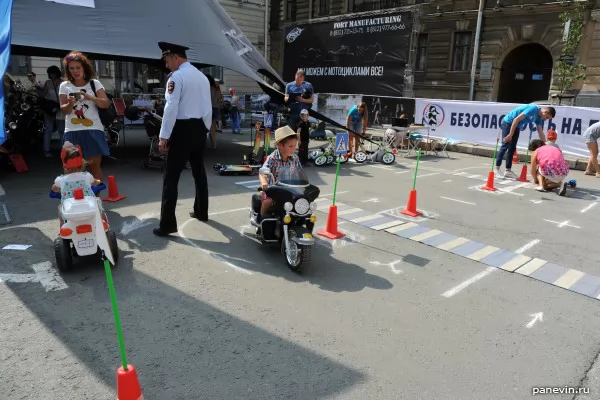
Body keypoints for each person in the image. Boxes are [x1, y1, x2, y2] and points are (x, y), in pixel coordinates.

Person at [153, 41, 212, 237]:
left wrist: (164, 136)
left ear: (176, 58)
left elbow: (171, 108)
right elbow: (208, 107)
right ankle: (202, 211)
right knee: (199, 171)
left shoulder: (176, 77)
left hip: (182, 129)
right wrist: (206, 129)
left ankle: (167, 224)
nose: (166, 65)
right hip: (199, 127)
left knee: (171, 177)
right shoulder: (202, 77)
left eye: (167, 60)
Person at [58, 51, 111, 182]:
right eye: (71, 68)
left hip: (93, 130)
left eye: (78, 67)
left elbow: (105, 104)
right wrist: (70, 104)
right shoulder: (64, 86)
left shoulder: (94, 83)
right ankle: (77, 199)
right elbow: (64, 110)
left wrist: (89, 97)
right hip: (72, 131)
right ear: (67, 70)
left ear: (84, 68)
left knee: (94, 167)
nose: (75, 71)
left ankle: (96, 199)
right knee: (72, 169)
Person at [51, 141, 108, 226]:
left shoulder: (60, 180)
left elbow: (54, 189)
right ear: (82, 164)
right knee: (98, 201)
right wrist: (99, 182)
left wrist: (55, 189)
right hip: (88, 208)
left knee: (60, 209)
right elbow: (96, 182)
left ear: (64, 165)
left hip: (71, 211)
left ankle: (62, 227)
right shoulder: (87, 176)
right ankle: (103, 223)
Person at [495, 104, 556, 179]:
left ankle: (508, 171)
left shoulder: (539, 118)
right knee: (505, 146)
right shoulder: (533, 109)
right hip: (509, 122)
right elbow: (516, 119)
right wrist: (511, 134)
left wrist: (546, 145)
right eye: (547, 117)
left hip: (517, 126)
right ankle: (496, 169)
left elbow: (540, 132)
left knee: (512, 148)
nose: (546, 119)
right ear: (545, 112)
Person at [258, 126, 303, 218]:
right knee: (268, 202)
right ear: (279, 145)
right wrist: (264, 183)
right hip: (272, 191)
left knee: (302, 201)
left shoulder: (295, 158)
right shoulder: (272, 158)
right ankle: (261, 217)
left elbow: (300, 173)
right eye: (290, 146)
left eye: (295, 146)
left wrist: (303, 182)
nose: (293, 149)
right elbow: (263, 172)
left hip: (290, 190)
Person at [41, 65, 64, 158]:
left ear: (57, 73)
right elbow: (43, 94)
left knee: (61, 130)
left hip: (61, 108)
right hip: (50, 109)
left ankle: (64, 150)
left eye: (53, 72)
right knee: (48, 130)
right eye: (50, 73)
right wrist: (38, 88)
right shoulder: (48, 83)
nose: (52, 75)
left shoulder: (64, 82)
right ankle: (46, 150)